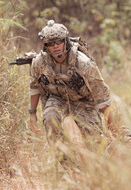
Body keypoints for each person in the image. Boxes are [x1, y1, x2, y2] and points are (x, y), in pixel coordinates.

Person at [28, 20, 111, 150]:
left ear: (65, 41)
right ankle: (66, 164)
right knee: (50, 118)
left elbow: (102, 96)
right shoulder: (40, 62)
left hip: (83, 101)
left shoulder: (83, 63)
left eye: (59, 41)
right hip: (57, 98)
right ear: (46, 46)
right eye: (50, 43)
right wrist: (32, 114)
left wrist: (113, 128)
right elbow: (34, 86)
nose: (55, 46)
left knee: (94, 144)